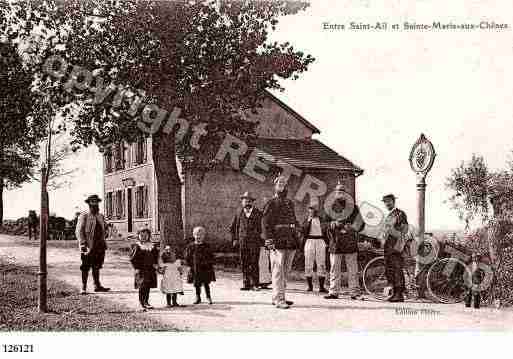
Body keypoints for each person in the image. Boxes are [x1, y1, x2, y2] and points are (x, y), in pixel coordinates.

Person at [262, 175, 300, 309]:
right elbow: (265, 223)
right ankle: (278, 298)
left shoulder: (290, 203)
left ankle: (280, 295)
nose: (282, 185)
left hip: (290, 241)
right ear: (275, 185)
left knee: (286, 270)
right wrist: (269, 240)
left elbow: (294, 220)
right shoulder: (271, 203)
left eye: (284, 183)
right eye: (280, 183)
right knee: (278, 270)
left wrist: (297, 231)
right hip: (277, 240)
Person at [324, 184, 365, 300]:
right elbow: (323, 224)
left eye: (342, 191)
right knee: (334, 268)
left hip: (349, 242)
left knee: (352, 269)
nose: (340, 193)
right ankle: (333, 291)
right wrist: (332, 224)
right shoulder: (329, 207)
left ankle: (354, 293)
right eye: (338, 191)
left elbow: (361, 224)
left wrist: (352, 227)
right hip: (335, 243)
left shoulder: (354, 208)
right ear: (335, 193)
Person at [75, 194, 110, 294]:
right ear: (89, 203)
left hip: (99, 245)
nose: (94, 204)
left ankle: (97, 285)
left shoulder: (100, 216)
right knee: (85, 266)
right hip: (88, 245)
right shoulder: (84, 216)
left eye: (96, 202)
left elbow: (105, 228)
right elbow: (79, 231)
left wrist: (106, 233)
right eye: (92, 202)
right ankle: (83, 287)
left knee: (97, 265)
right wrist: (82, 243)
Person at [230, 191, 263, 291]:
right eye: (245, 200)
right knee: (244, 262)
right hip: (243, 242)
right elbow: (232, 227)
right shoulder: (238, 213)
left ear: (252, 202)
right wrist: (235, 239)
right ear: (242, 202)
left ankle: (255, 284)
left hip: (254, 243)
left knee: (254, 262)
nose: (247, 203)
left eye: (249, 201)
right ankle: (246, 283)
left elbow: (262, 228)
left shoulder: (258, 213)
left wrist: (261, 239)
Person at [381, 194, 409, 303]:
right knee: (390, 269)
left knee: (397, 269)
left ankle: (399, 294)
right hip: (388, 246)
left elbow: (405, 229)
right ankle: (394, 293)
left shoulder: (399, 214)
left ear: (393, 202)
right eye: (385, 202)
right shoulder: (388, 215)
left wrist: (399, 245)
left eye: (389, 201)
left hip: (396, 246)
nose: (387, 204)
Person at [129, 228, 159, 310]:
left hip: (150, 269)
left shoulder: (152, 246)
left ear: (149, 236)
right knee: (142, 286)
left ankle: (146, 301)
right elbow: (133, 258)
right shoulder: (137, 246)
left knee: (148, 285)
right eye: (141, 235)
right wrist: (136, 267)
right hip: (141, 269)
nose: (144, 237)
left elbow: (155, 256)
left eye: (146, 235)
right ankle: (141, 302)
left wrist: (155, 264)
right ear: (138, 236)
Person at [301, 203, 328, 293]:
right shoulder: (306, 220)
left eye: (313, 209)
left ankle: (321, 286)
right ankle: (310, 286)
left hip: (320, 241)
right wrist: (309, 220)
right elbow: (303, 231)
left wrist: (326, 242)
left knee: (321, 263)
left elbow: (326, 231)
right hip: (309, 241)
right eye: (310, 209)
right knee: (308, 263)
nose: (312, 211)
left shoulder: (322, 220)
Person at [185, 226, 216, 305]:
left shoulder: (207, 246)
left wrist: (209, 263)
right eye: (196, 235)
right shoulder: (191, 246)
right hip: (195, 268)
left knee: (206, 283)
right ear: (193, 235)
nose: (198, 237)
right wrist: (190, 265)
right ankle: (198, 297)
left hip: (205, 268)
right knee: (197, 283)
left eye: (201, 235)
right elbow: (187, 257)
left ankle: (208, 297)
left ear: (203, 236)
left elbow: (211, 256)